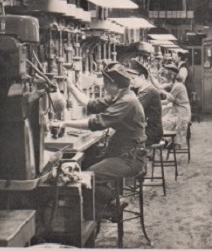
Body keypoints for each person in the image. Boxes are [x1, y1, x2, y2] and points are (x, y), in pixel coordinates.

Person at [52, 62, 147, 223]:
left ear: (113, 84)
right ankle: (108, 205)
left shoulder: (127, 101)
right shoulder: (120, 96)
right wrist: (70, 86)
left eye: (105, 82)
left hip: (131, 158)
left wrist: (64, 124)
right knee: (87, 164)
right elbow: (91, 105)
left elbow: (96, 123)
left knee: (89, 175)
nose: (103, 85)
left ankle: (110, 206)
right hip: (123, 153)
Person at [152, 62, 191, 148]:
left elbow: (167, 101)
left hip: (182, 112)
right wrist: (153, 79)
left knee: (163, 122)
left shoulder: (177, 86)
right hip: (179, 109)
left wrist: (154, 102)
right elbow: (160, 87)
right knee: (164, 117)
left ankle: (168, 140)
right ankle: (168, 141)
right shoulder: (175, 84)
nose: (165, 77)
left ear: (171, 76)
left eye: (167, 75)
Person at [127, 58, 163, 146]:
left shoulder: (148, 91)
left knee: (121, 140)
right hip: (146, 130)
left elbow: (131, 109)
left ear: (142, 77)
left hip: (151, 133)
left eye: (133, 78)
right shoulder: (139, 89)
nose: (130, 81)